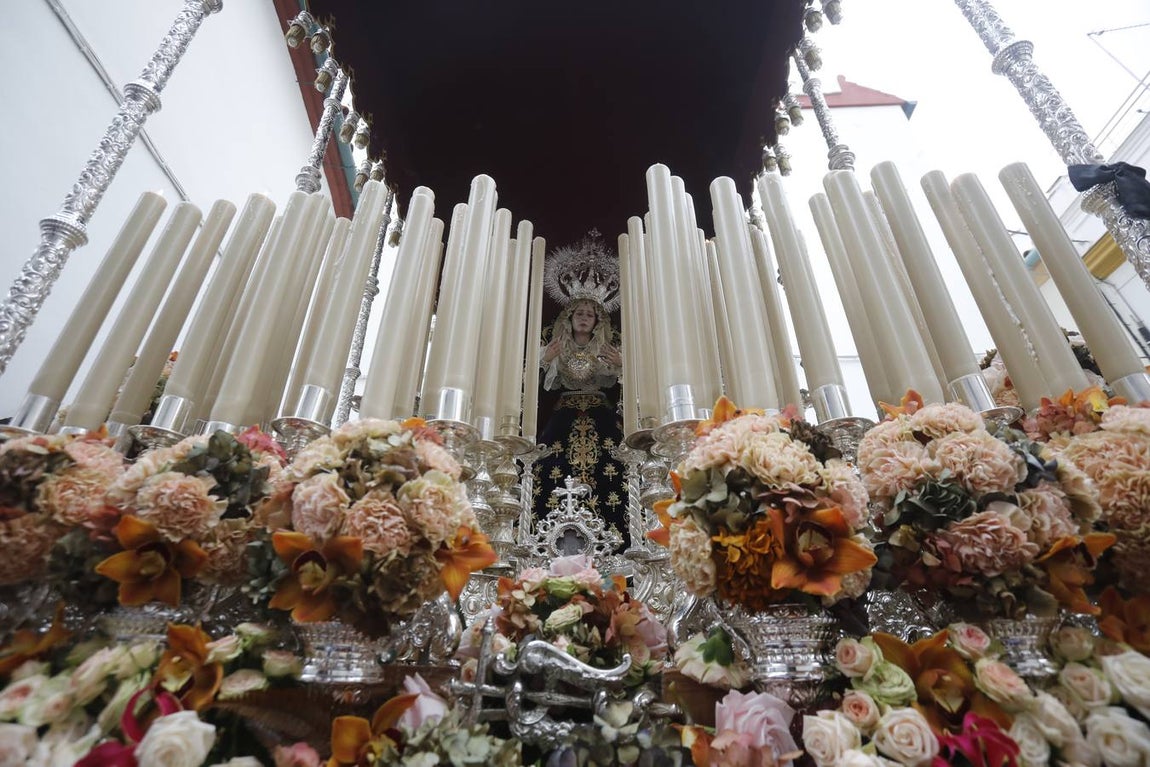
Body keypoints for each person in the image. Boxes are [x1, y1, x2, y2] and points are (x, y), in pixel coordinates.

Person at [531, 235, 629, 551]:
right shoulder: (554, 347)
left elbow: (631, 381)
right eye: (579, 313)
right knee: (547, 467)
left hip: (601, 417)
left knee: (614, 471)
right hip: (564, 417)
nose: (585, 317)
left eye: (590, 313)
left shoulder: (610, 350)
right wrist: (543, 361)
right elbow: (533, 378)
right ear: (570, 317)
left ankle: (613, 542)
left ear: (598, 319)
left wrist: (624, 366)